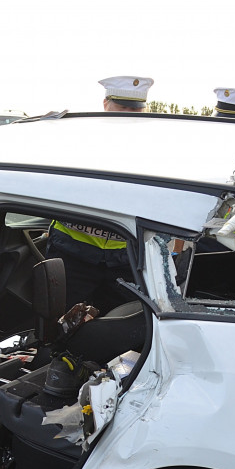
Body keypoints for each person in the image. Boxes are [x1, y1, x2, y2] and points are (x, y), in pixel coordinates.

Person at [42, 76, 152, 311]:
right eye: (122, 107)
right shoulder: (78, 142)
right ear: (105, 104)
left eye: (135, 109)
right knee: (61, 321)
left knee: (121, 325)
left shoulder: (153, 151)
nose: (128, 116)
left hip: (125, 257)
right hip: (72, 251)